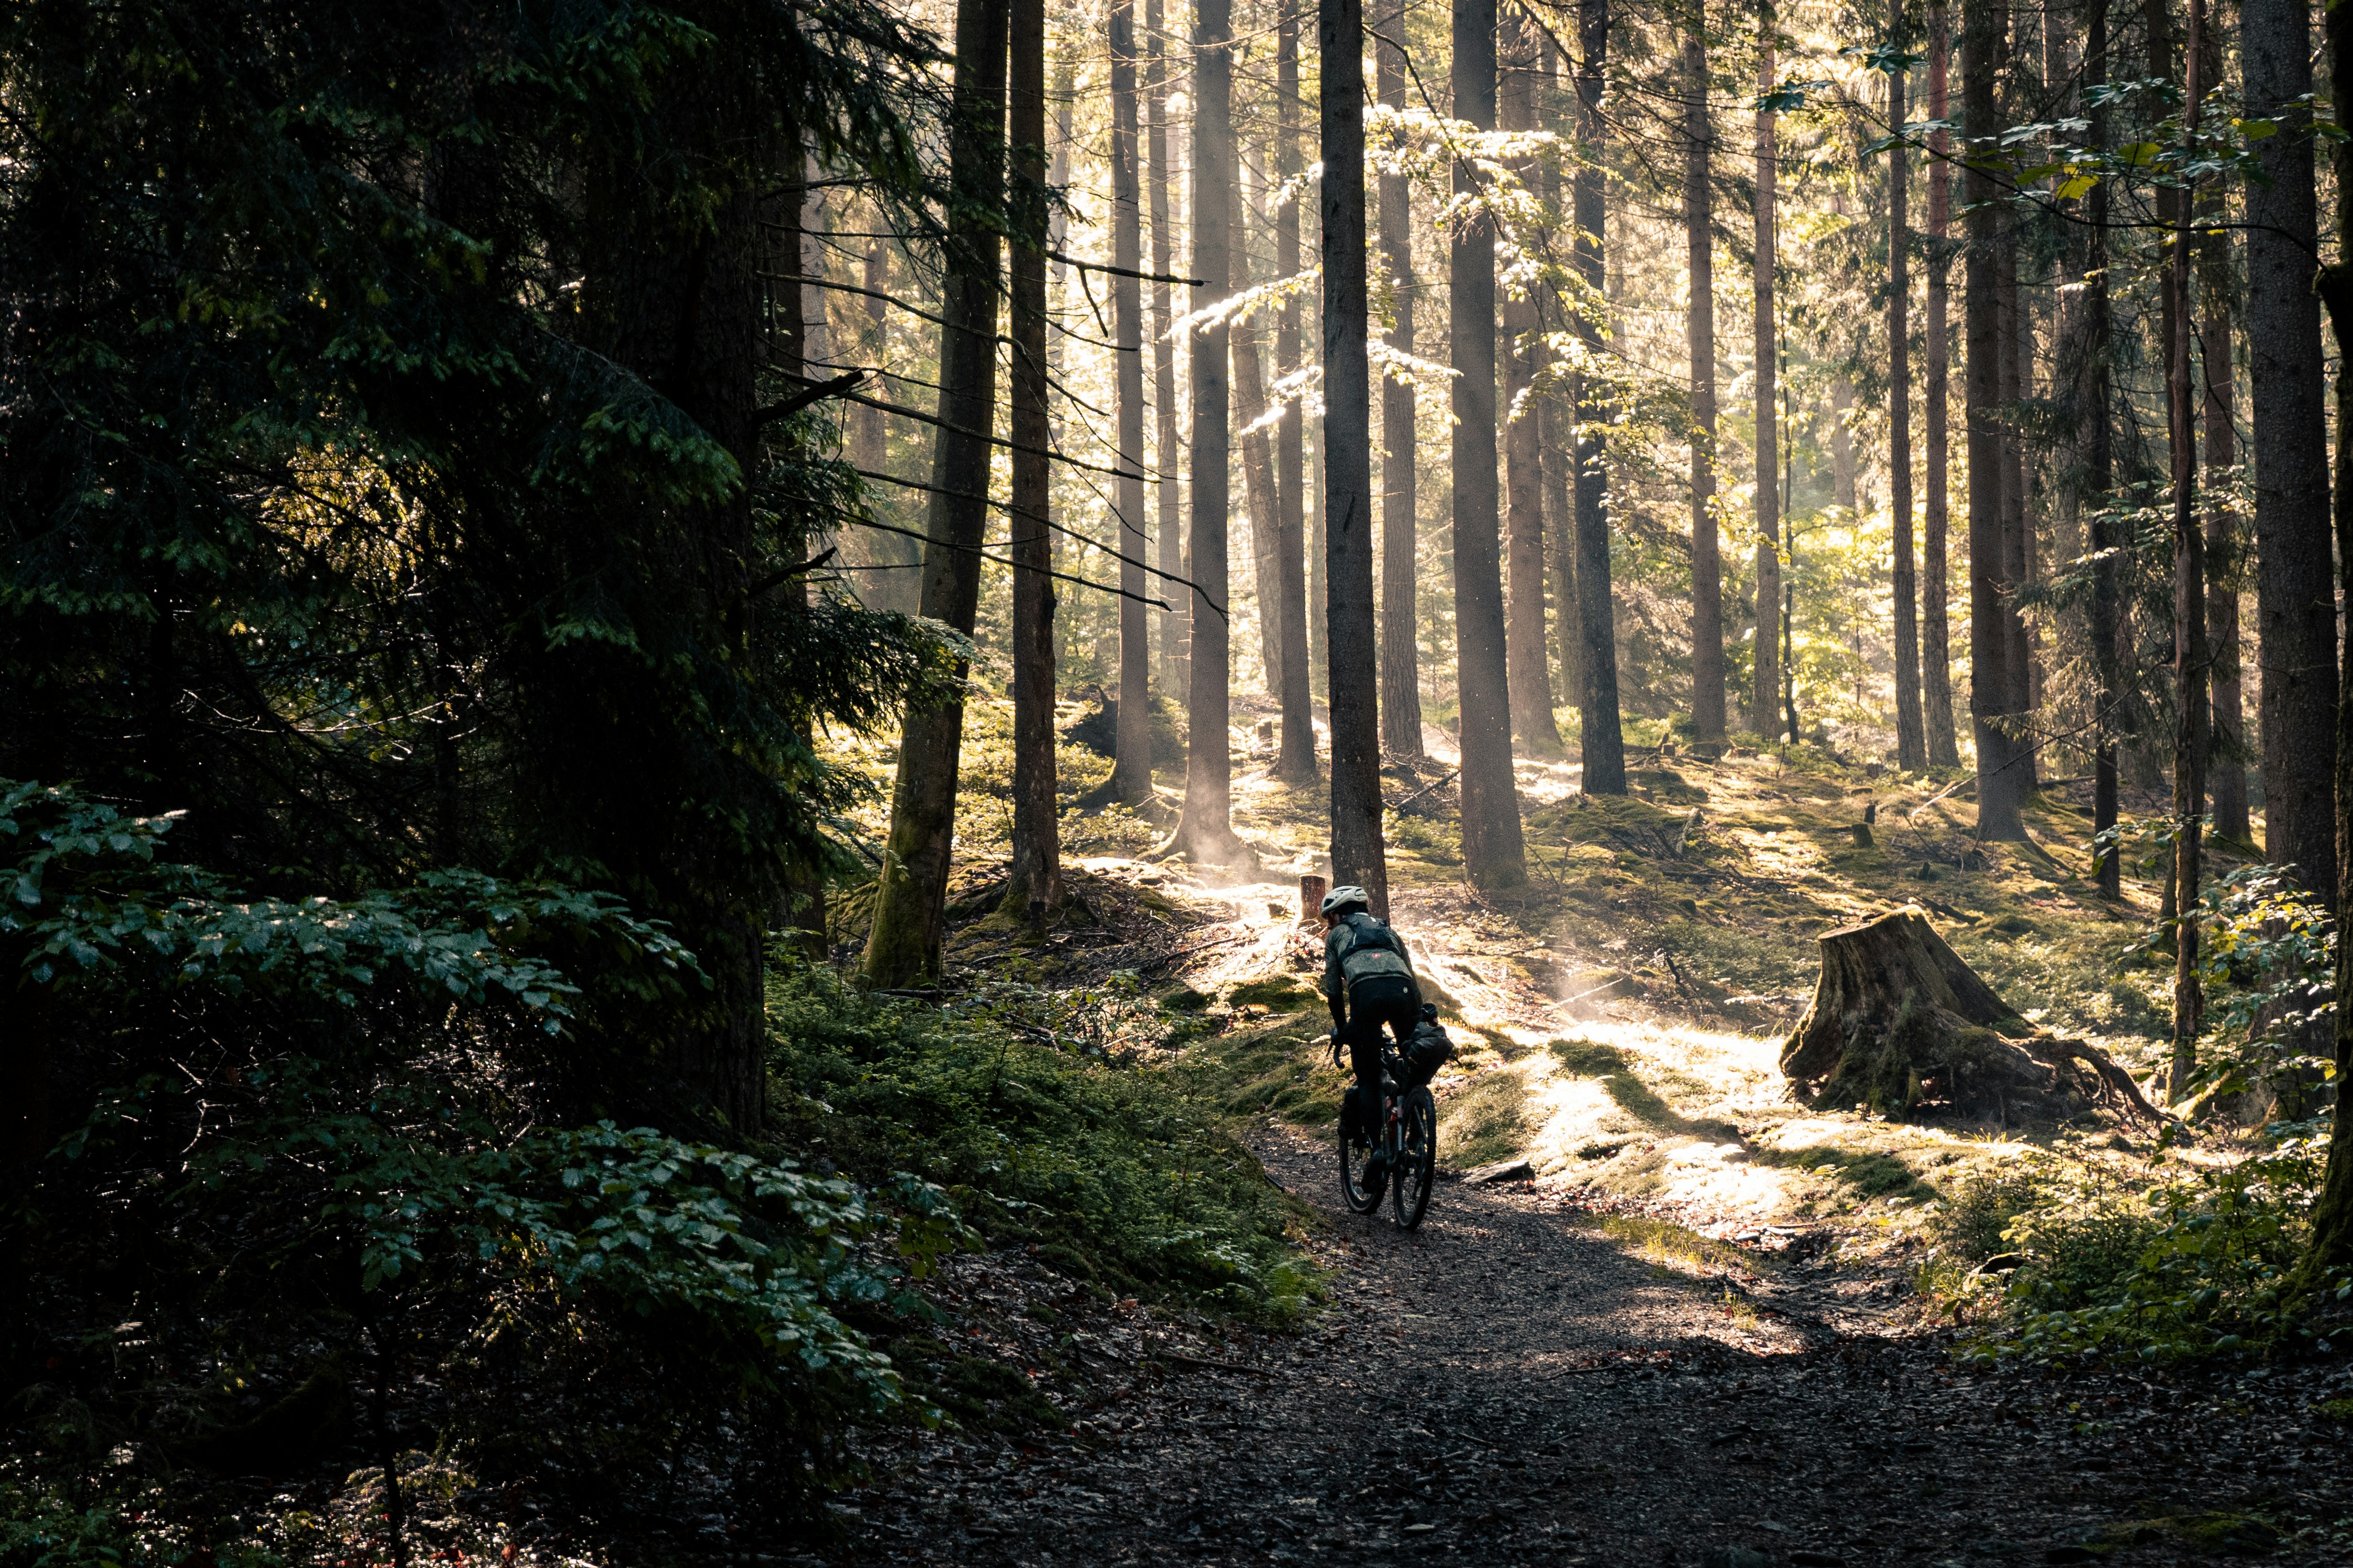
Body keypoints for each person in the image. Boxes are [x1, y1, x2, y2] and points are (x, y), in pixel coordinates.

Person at [1320, 885, 1422, 1179]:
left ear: (1339, 914)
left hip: (1366, 996)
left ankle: (1378, 1150)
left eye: (1330, 918)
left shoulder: (1337, 935)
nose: (1330, 923)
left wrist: (1343, 1030)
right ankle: (1416, 1129)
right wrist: (1417, 1018)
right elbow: (1411, 978)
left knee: (1367, 1078)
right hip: (1403, 993)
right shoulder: (1389, 932)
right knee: (1410, 1057)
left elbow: (1334, 992)